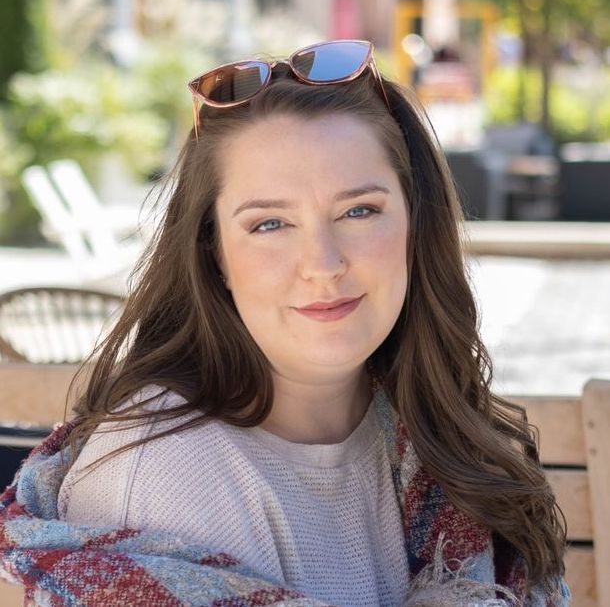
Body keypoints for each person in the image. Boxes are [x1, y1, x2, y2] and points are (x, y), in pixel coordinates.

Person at [0, 39, 570, 607]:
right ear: (215, 253)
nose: (323, 265)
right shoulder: (159, 474)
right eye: (270, 224)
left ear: (416, 224)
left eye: (359, 211)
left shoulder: (433, 437)